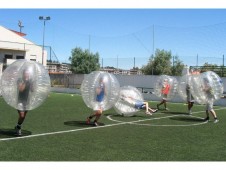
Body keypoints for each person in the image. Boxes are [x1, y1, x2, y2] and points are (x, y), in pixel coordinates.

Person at [15, 68, 34, 136]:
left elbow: (32, 90)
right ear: (23, 74)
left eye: (28, 73)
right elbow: (21, 89)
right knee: (22, 116)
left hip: (27, 101)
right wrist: (25, 82)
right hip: (20, 100)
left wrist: (32, 84)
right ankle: (18, 127)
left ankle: (18, 125)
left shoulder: (30, 80)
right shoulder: (20, 80)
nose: (27, 75)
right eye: (26, 73)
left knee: (24, 116)